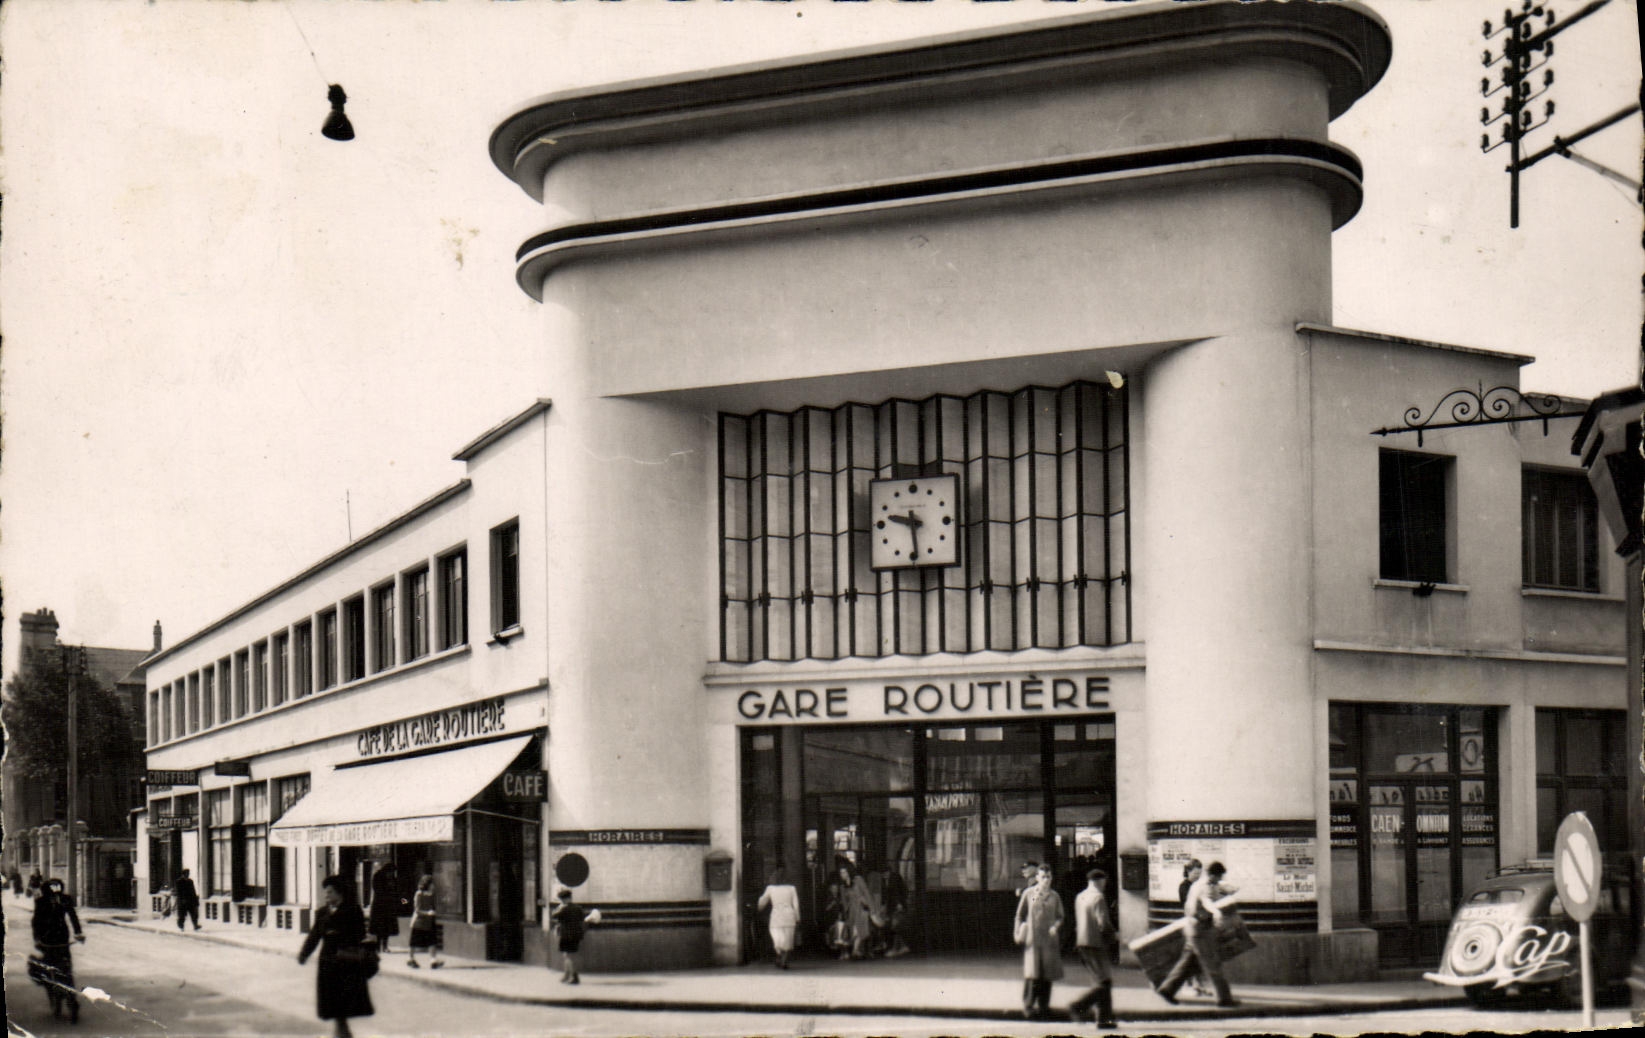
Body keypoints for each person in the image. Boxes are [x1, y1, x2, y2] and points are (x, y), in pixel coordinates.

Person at [298, 875, 375, 1038]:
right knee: (333, 1003)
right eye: (325, 892)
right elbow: (314, 936)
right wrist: (304, 954)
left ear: (340, 893)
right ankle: (342, 1031)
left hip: (346, 962)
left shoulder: (353, 911)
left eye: (330, 892)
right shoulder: (322, 913)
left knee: (343, 1002)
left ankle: (342, 1031)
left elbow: (360, 935)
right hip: (328, 963)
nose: (326, 896)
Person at [1157, 860, 1239, 1008]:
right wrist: (1216, 914)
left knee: (1187, 963)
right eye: (1219, 876)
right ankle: (1224, 998)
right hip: (1200, 930)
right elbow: (1206, 903)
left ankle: (1167, 989)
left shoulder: (1204, 884)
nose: (1221, 879)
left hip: (1193, 930)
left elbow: (1229, 889)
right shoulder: (1203, 887)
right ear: (1213, 875)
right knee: (1213, 963)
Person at [1014, 862, 1065, 1020]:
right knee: (1032, 973)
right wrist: (1018, 933)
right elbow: (1019, 915)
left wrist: (1056, 927)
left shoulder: (1055, 896)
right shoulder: (1029, 894)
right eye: (1043, 877)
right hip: (1033, 940)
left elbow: (1060, 917)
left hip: (1049, 941)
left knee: (1046, 973)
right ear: (1037, 877)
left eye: (1048, 877)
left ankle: (1044, 1006)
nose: (1046, 880)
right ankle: (1028, 1006)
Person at [1067, 868, 1117, 1028]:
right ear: (1101, 881)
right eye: (1104, 882)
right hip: (1096, 944)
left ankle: (1103, 1019)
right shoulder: (1098, 898)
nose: (1104, 885)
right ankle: (1078, 1005)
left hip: (1082, 942)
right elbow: (1103, 923)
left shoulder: (1080, 897)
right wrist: (1114, 937)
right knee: (1104, 982)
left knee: (1100, 980)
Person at [32, 877, 86, 1023]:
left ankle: (71, 1002)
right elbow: (36, 921)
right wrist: (37, 939)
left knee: (67, 970)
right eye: (53, 888)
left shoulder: (66, 899)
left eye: (58, 888)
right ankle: (54, 999)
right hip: (47, 940)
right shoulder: (41, 901)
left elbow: (73, 917)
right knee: (49, 970)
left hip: (62, 939)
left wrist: (78, 932)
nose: (56, 892)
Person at [834, 859, 883, 960]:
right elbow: (844, 901)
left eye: (844, 872)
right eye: (840, 872)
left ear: (849, 871)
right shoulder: (842, 886)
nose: (842, 874)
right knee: (854, 931)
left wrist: (873, 910)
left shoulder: (858, 880)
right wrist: (844, 912)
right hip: (852, 910)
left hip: (862, 908)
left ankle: (855, 950)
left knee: (859, 930)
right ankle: (855, 951)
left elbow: (867, 894)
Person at [756, 866, 801, 969]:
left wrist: (758, 908)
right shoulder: (792, 888)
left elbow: (762, 902)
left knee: (778, 939)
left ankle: (780, 956)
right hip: (789, 916)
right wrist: (798, 918)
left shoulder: (770, 889)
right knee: (788, 940)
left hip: (776, 917)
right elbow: (796, 905)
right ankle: (784, 960)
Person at [1178, 860, 1211, 997]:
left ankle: (1198, 985)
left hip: (1198, 925)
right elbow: (1189, 905)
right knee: (1192, 957)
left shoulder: (1198, 886)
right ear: (1188, 872)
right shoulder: (1185, 886)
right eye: (1195, 872)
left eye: (1199, 872)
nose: (1198, 875)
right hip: (1190, 924)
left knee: (1197, 957)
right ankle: (1190, 985)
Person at [551, 888, 598, 984]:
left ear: (563, 899)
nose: (562, 901)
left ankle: (574, 976)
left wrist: (559, 907)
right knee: (568, 955)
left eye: (562, 899)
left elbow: (554, 915)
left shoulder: (563, 909)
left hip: (566, 935)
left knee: (568, 956)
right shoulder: (578, 908)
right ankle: (566, 975)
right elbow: (583, 919)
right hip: (576, 935)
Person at [407, 874, 444, 969]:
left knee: (432, 941)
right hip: (418, 922)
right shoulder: (419, 894)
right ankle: (411, 959)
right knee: (414, 942)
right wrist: (428, 913)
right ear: (427, 884)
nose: (434, 886)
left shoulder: (431, 895)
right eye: (432, 884)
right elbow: (417, 910)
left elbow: (433, 907)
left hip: (429, 922)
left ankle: (433, 960)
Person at [367, 864, 400, 953]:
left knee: (387, 928)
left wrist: (402, 902)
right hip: (379, 906)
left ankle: (385, 946)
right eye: (390, 872)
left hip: (389, 907)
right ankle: (378, 946)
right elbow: (377, 890)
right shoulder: (378, 877)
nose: (391, 874)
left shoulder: (393, 879)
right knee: (379, 928)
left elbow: (398, 893)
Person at [880, 868, 911, 958]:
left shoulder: (894, 878)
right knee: (894, 927)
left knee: (895, 927)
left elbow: (897, 892)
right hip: (893, 907)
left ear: (888, 872)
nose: (884, 876)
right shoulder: (887, 880)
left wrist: (899, 903)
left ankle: (895, 948)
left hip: (897, 906)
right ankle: (903, 946)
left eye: (884, 874)